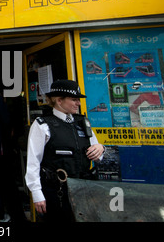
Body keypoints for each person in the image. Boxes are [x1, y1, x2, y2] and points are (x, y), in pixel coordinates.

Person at [25, 79, 105, 222]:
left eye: (78, 100)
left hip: (84, 189)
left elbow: (98, 155)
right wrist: (37, 193)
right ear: (59, 100)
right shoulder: (42, 125)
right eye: (74, 99)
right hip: (57, 192)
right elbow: (33, 163)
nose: (78, 103)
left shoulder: (83, 122)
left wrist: (101, 148)